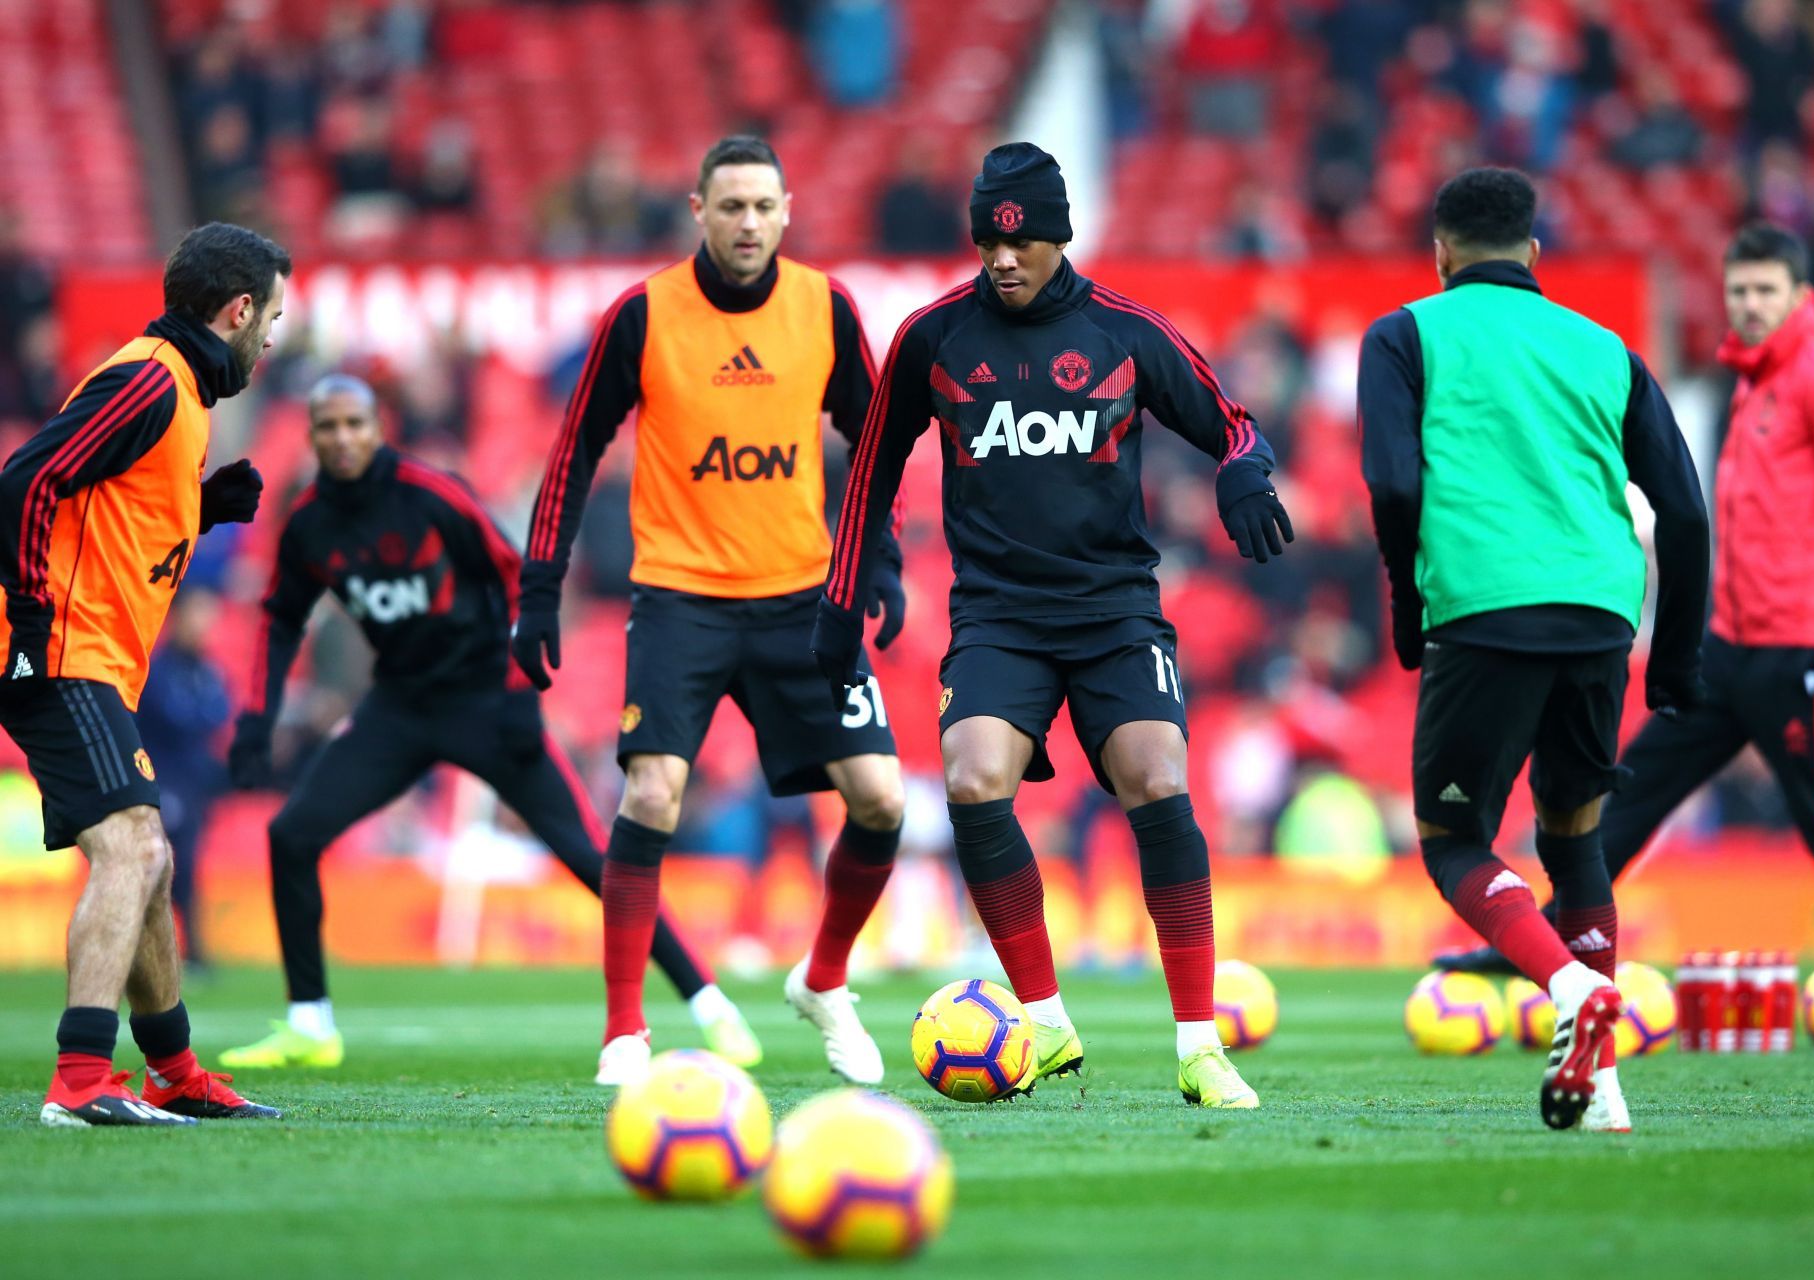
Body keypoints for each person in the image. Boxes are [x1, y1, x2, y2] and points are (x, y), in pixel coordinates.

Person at [813, 142, 1293, 1109]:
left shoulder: (1126, 332)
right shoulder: (933, 338)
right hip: (997, 614)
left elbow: (1233, 421)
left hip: (1115, 610)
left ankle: (1200, 1046)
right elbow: (869, 461)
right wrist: (842, 593)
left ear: (1056, 235)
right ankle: (1044, 1016)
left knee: (1157, 778)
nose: (1002, 258)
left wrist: (1243, 469)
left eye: (1021, 239)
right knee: (971, 778)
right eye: (988, 240)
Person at [1436, 223, 1814, 1055]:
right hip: (1735, 641)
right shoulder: (1755, 386)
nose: (1750, 306)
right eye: (1739, 291)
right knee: (1631, 787)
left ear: (1802, 299)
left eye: (1766, 291)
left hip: (1806, 640)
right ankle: (1541, 946)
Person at [513, 135, 909, 1087]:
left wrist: (881, 559)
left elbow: (878, 437)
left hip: (803, 602)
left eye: (763, 207)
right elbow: (573, 453)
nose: (747, 224)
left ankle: (823, 979)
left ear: (786, 211)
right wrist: (539, 588)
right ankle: (623, 1031)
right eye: (730, 206)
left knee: (883, 802)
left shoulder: (826, 307)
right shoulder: (644, 315)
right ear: (698, 209)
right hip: (682, 598)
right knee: (650, 793)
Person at [220, 375, 760, 1072]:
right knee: (291, 835)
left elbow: (513, 573)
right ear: (312, 435)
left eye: (355, 423)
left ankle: (710, 1004)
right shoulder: (311, 522)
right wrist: (259, 719)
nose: (343, 437)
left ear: (378, 426)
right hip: (399, 707)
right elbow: (280, 618)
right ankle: (310, 1025)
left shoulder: (430, 494)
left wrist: (517, 687)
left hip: (487, 702)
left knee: (598, 862)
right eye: (328, 426)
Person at [1359, 168, 1712, 1131]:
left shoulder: (1403, 336)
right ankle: (1603, 1086)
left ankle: (1567, 988)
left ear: (1439, 254)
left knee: (1455, 840)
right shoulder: (1606, 350)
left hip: (1484, 607)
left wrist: (1406, 600)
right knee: (1574, 834)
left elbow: (1393, 488)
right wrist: (1675, 655)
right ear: (1534, 255)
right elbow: (1682, 509)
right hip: (1601, 610)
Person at [0, 221, 285, 1126]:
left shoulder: (178, 392)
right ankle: (82, 1078)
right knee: (131, 847)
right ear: (237, 310)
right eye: (270, 316)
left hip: (96, 659)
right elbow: (25, 481)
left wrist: (196, 509)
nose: (272, 336)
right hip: (63, 652)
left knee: (149, 858)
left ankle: (174, 1072)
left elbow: (102, 502)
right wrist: (34, 619)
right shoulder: (151, 377)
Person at [134, 586, 231, 970]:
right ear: (177, 617)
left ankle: (192, 950)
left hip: (194, 781)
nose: (204, 624)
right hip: (163, 778)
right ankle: (147, 948)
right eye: (197, 614)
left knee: (188, 865)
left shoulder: (207, 669)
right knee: (161, 865)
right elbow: (177, 716)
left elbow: (219, 712)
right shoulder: (159, 668)